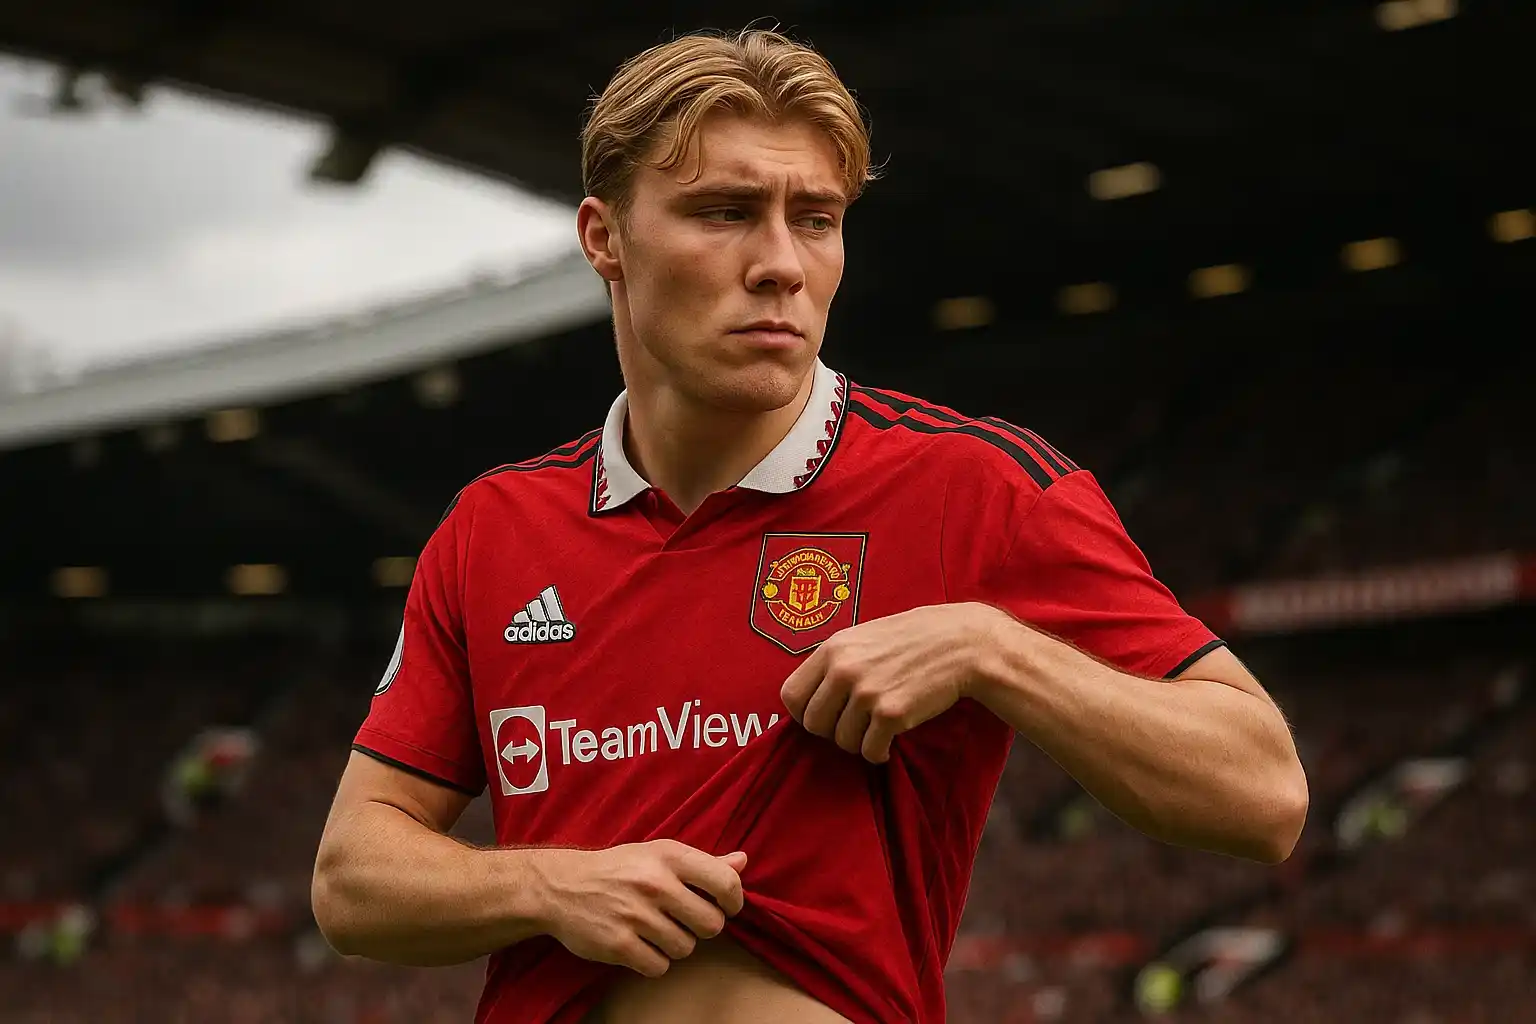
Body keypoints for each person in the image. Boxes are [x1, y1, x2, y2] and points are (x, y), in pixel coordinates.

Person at [311, 27, 1309, 1024]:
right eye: (725, 213)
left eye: (816, 219)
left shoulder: (974, 488)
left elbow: (1264, 794)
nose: (781, 264)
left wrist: (991, 648)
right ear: (604, 238)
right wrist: (549, 885)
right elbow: (353, 879)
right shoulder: (494, 529)